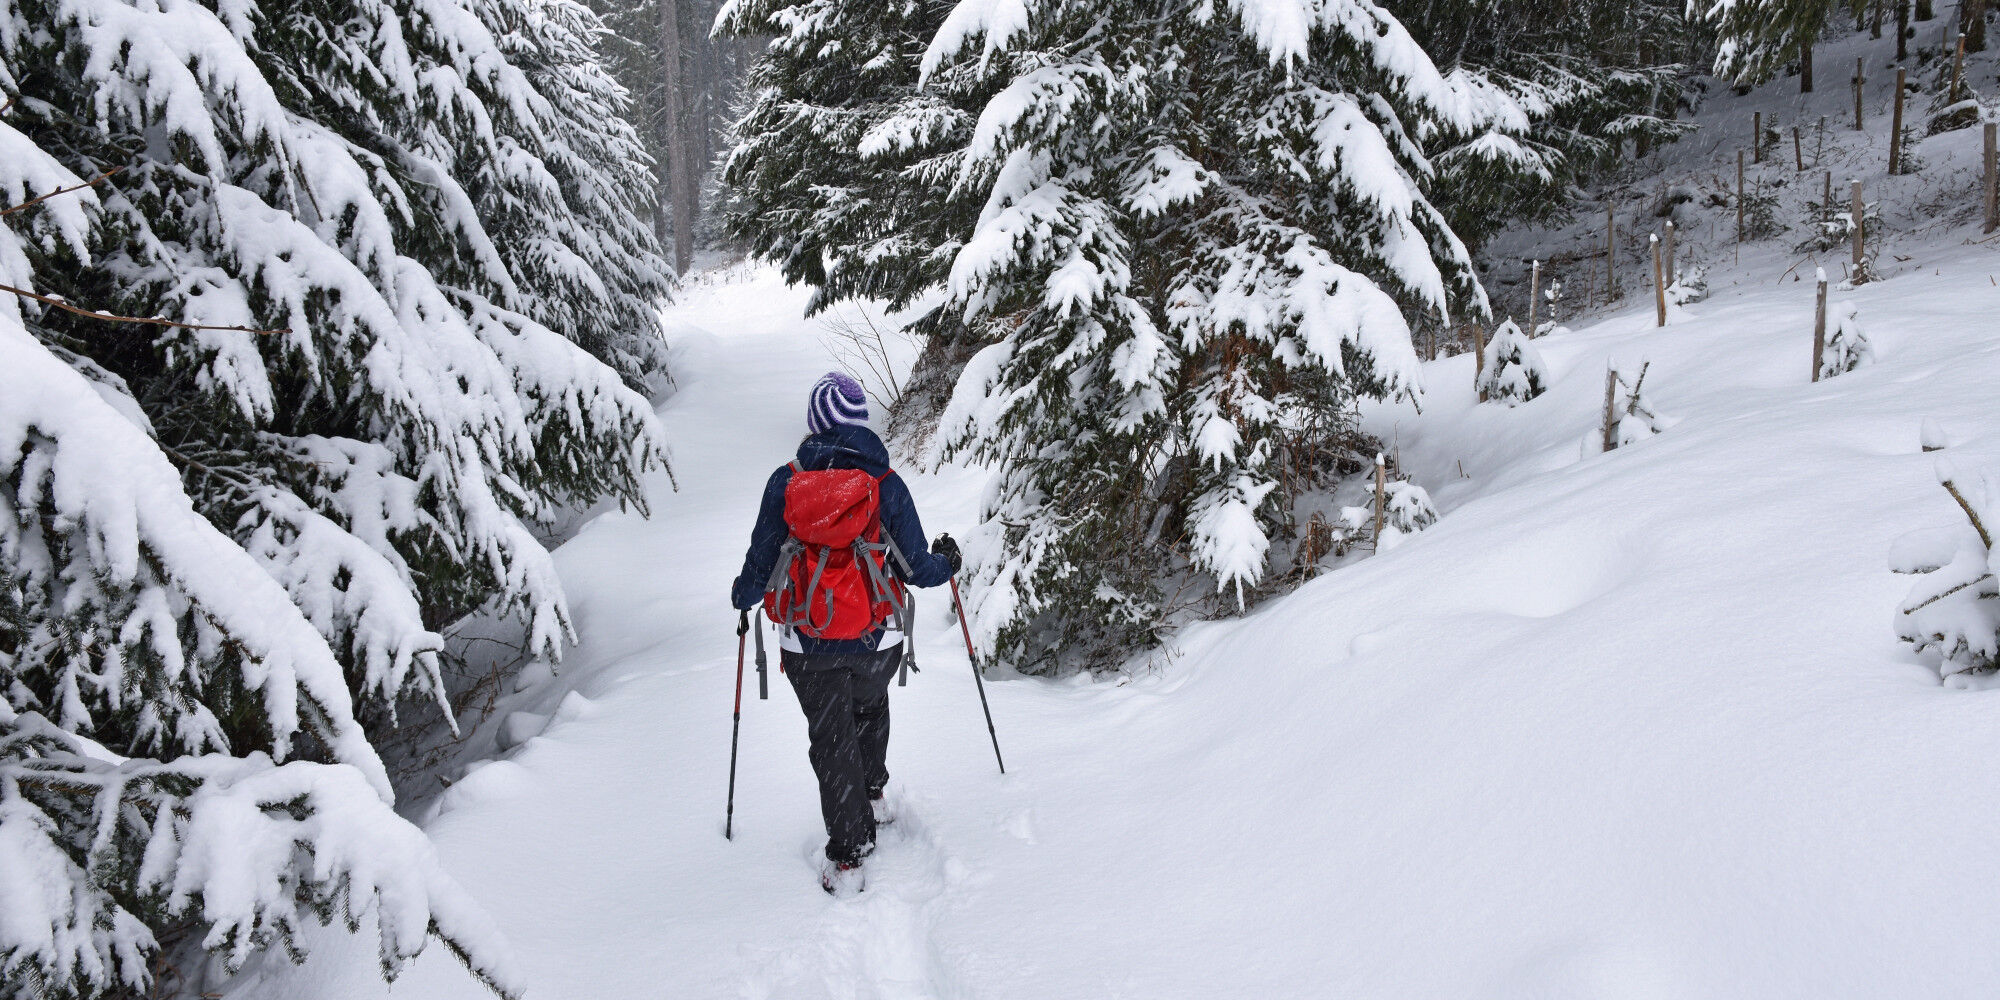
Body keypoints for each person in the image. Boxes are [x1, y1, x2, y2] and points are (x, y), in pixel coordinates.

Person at [731, 371, 961, 895]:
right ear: (860, 421)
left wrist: (742, 596)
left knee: (831, 738)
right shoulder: (886, 484)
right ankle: (872, 794)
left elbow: (760, 564)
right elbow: (917, 569)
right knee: (870, 708)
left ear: (815, 424)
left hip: (807, 642)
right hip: (876, 638)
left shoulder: (786, 482)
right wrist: (947, 561)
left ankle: (849, 855)